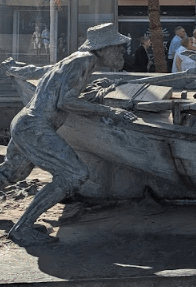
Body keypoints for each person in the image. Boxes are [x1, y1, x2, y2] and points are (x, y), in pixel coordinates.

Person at [0, 23, 136, 246]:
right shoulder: (84, 61)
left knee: (10, 173)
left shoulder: (76, 59)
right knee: (74, 174)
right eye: (117, 47)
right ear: (102, 49)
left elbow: (43, 73)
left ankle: (22, 227)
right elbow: (66, 101)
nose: (122, 50)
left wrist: (15, 69)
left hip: (25, 123)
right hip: (35, 128)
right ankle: (22, 230)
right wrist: (111, 111)